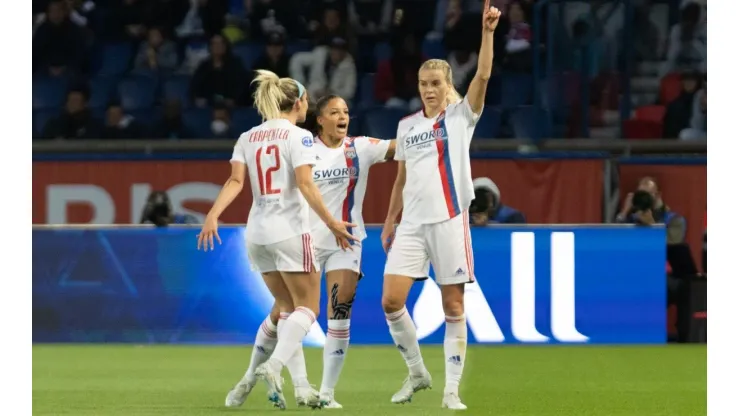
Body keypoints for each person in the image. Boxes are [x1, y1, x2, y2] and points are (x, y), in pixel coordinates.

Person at [196, 70, 356, 410]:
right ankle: (274, 366)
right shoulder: (300, 138)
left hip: (257, 233)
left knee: (287, 310)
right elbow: (306, 184)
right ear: (297, 104)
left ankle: (289, 386)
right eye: (307, 103)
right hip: (290, 231)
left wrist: (212, 214)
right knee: (308, 308)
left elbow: (235, 183)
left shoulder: (247, 137)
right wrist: (332, 223)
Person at [379, 1, 500, 410]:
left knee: (453, 306)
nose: (428, 89)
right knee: (390, 302)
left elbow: (483, 74)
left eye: (435, 82)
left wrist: (487, 33)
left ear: (448, 85)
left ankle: (451, 390)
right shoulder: (407, 126)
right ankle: (417, 374)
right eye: (422, 82)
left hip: (449, 219)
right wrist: (389, 220)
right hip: (410, 224)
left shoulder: (462, 116)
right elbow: (400, 178)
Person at [303, 95, 396, 407]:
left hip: (347, 242)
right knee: (287, 314)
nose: (342, 117)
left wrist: (437, 129)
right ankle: (257, 373)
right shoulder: (303, 149)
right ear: (319, 119)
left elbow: (402, 147)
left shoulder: (360, 148)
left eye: (345, 112)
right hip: (308, 242)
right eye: (334, 112)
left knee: (340, 310)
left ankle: (327, 393)